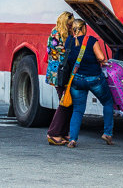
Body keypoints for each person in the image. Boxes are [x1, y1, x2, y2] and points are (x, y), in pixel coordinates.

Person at [63, 18, 115, 147]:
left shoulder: (69, 41)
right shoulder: (91, 41)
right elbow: (101, 57)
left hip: (76, 80)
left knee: (78, 110)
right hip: (93, 79)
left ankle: (73, 139)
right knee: (108, 102)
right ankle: (107, 133)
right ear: (84, 28)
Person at [45, 12, 73, 145]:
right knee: (64, 102)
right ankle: (54, 133)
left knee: (67, 102)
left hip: (56, 71)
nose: (71, 26)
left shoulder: (55, 32)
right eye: (70, 24)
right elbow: (63, 53)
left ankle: (62, 132)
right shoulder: (59, 34)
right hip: (60, 73)